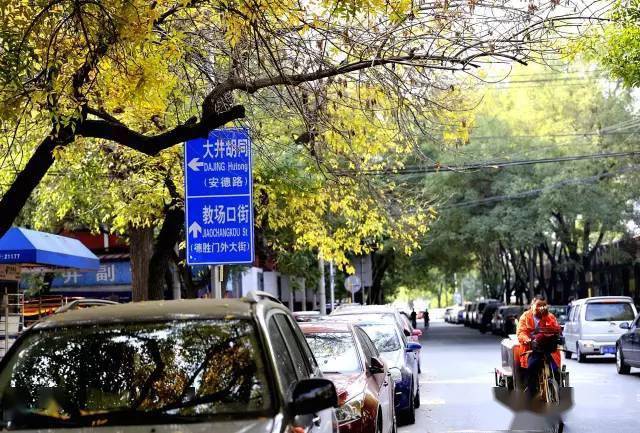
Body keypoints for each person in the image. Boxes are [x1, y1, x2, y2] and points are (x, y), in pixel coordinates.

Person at [516, 295, 562, 398]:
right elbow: (521, 332)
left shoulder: (550, 316)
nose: (540, 308)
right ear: (532, 305)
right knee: (532, 367)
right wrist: (527, 340)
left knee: (555, 369)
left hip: (549, 349)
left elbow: (555, 329)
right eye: (538, 305)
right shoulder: (525, 317)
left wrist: (545, 317)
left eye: (543, 305)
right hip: (532, 349)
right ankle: (531, 394)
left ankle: (556, 392)